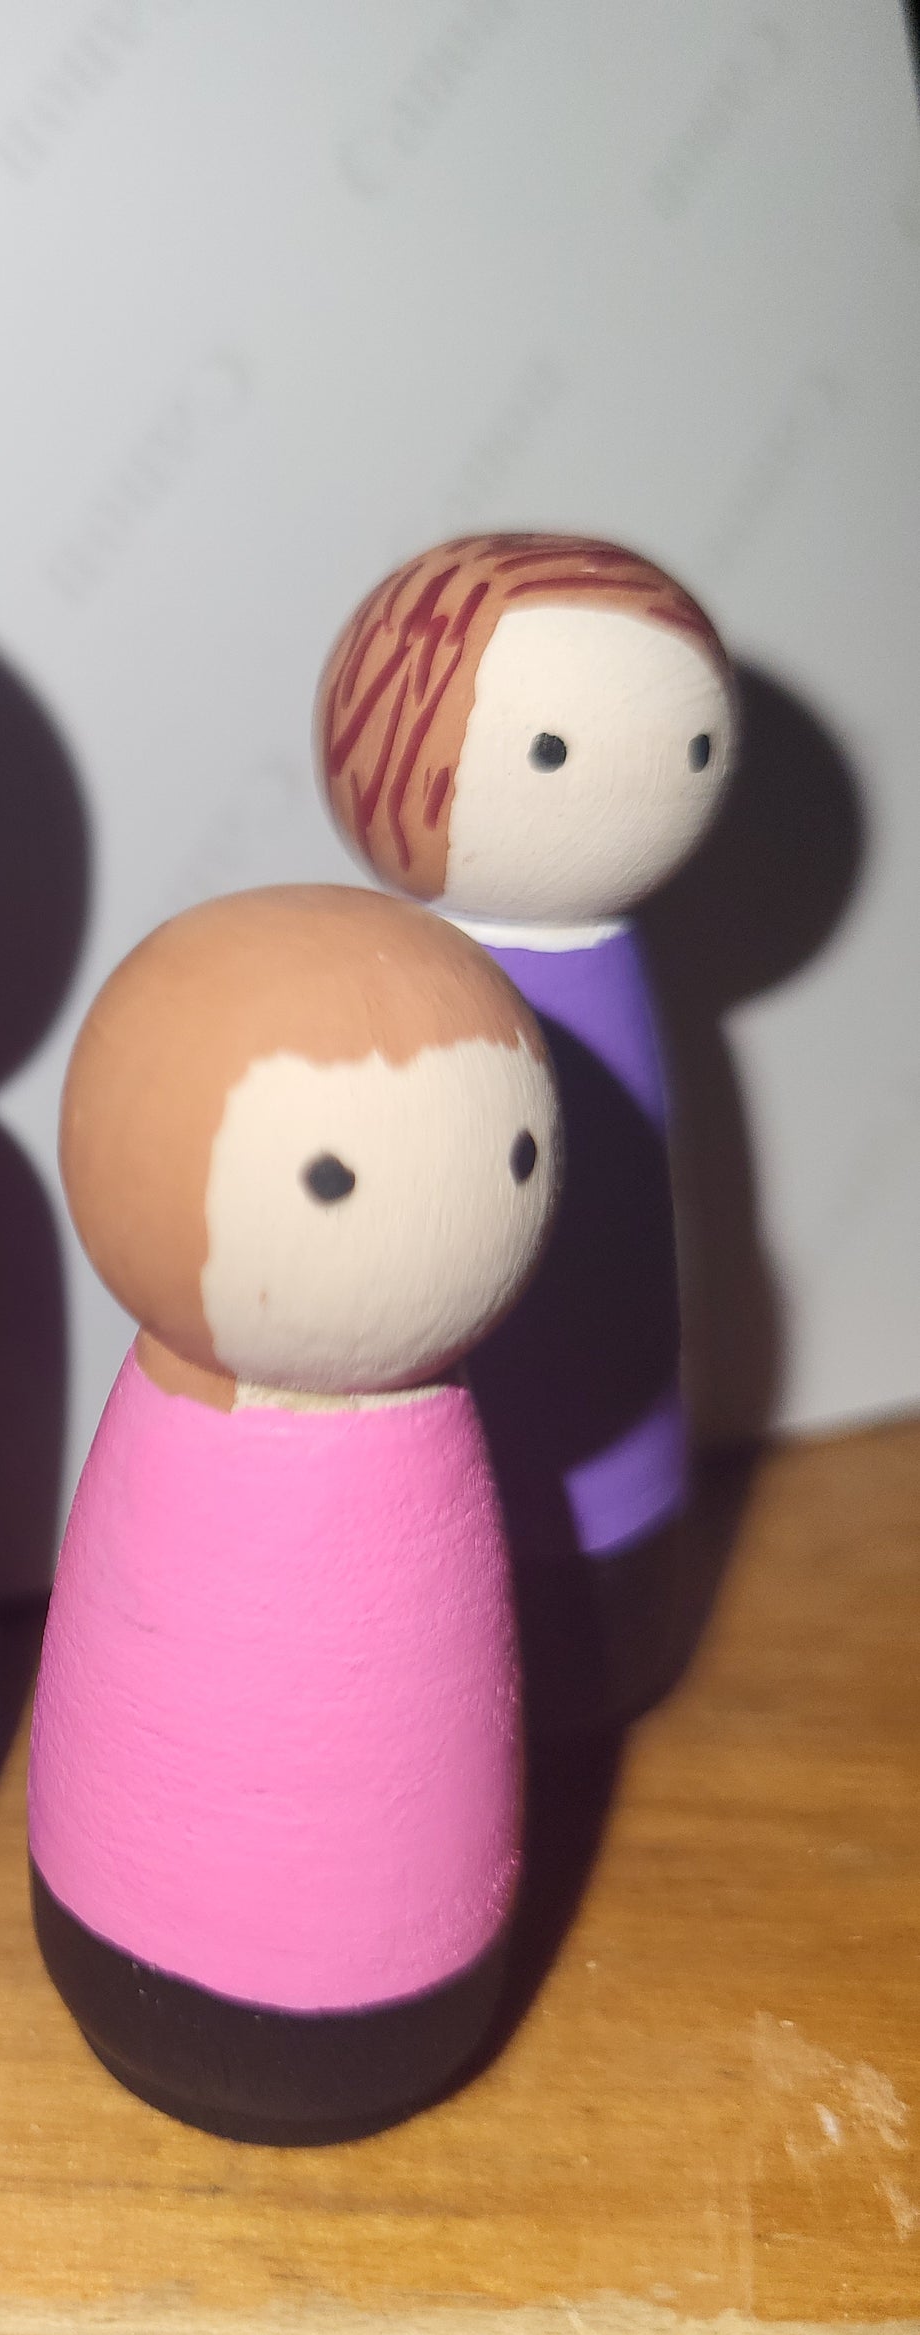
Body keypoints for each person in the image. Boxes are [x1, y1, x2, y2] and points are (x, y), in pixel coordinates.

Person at [30, 886, 559, 2142]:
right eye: (332, 1178)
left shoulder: (415, 1438)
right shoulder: (197, 1408)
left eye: (513, 1159)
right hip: (116, 1932)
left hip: (413, 1979)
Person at [317, 535, 739, 1723]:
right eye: (549, 752)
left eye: (690, 749)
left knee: (604, 1336)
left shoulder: (600, 976)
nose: (635, 782)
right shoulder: (448, 991)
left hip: (623, 1488)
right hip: (454, 1497)